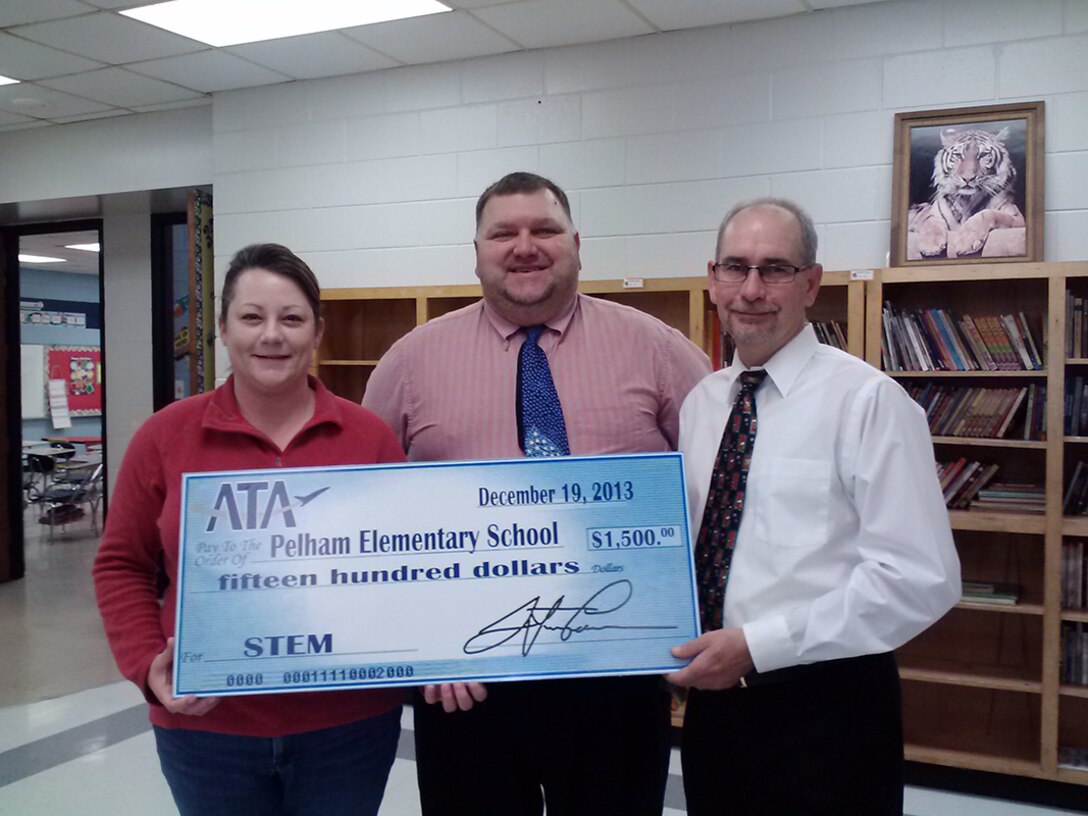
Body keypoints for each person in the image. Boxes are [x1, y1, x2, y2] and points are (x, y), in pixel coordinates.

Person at [363, 171, 711, 815]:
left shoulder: (658, 351)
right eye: (504, 233)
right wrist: (413, 649)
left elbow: (718, 490)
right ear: (476, 251)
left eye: (544, 230)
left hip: (617, 671)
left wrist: (690, 619)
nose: (525, 246)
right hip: (466, 682)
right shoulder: (408, 364)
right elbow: (367, 517)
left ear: (576, 243)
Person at [667, 198, 961, 815]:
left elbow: (920, 580)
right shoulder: (702, 404)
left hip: (830, 709)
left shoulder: (868, 403)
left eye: (775, 268)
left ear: (811, 284)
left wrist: (760, 646)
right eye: (735, 268)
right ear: (713, 279)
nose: (751, 289)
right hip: (716, 710)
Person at [93, 243, 406, 816]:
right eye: (252, 317)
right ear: (222, 329)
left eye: (291, 318)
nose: (272, 335)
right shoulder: (164, 437)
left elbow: (405, 566)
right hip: (208, 727)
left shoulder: (371, 439)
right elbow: (121, 563)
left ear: (316, 332)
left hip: (349, 727)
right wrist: (145, 664)